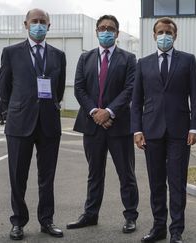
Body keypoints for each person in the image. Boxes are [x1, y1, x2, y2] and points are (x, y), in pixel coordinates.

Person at [131, 17, 196, 243]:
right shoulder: (143, 63)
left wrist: (195, 127)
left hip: (180, 132)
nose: (164, 35)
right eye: (160, 32)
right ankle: (158, 227)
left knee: (177, 182)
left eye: (168, 32)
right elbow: (137, 100)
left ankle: (176, 231)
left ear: (175, 35)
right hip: (151, 131)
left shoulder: (188, 60)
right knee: (156, 182)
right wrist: (137, 130)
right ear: (154, 35)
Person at [67, 14, 139, 233]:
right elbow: (79, 88)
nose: (106, 31)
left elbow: (130, 88)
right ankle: (90, 215)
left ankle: (130, 216)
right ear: (96, 31)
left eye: (110, 28)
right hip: (91, 125)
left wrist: (108, 112)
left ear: (117, 33)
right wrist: (94, 113)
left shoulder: (128, 58)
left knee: (126, 174)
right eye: (102, 28)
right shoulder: (85, 58)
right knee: (94, 173)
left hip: (119, 125)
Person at [0, 8, 66, 240]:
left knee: (47, 177)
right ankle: (18, 222)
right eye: (34, 21)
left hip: (49, 123)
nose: (38, 25)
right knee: (18, 176)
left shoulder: (58, 55)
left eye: (43, 22)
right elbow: (4, 87)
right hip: (19, 124)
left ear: (49, 26)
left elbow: (58, 89)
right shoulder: (11, 53)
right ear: (25, 24)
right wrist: (12, 111)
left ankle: (46, 221)